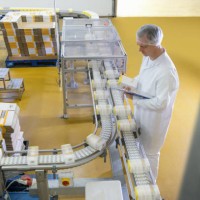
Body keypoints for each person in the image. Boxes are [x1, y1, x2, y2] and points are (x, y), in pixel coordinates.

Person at [125, 24, 179, 181]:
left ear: (155, 44)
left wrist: (135, 99)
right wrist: (133, 84)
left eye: (143, 46)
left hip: (155, 121)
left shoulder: (166, 72)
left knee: (150, 153)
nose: (139, 50)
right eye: (138, 45)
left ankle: (150, 187)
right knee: (139, 144)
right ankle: (137, 175)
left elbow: (161, 103)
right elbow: (142, 76)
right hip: (142, 111)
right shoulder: (148, 56)